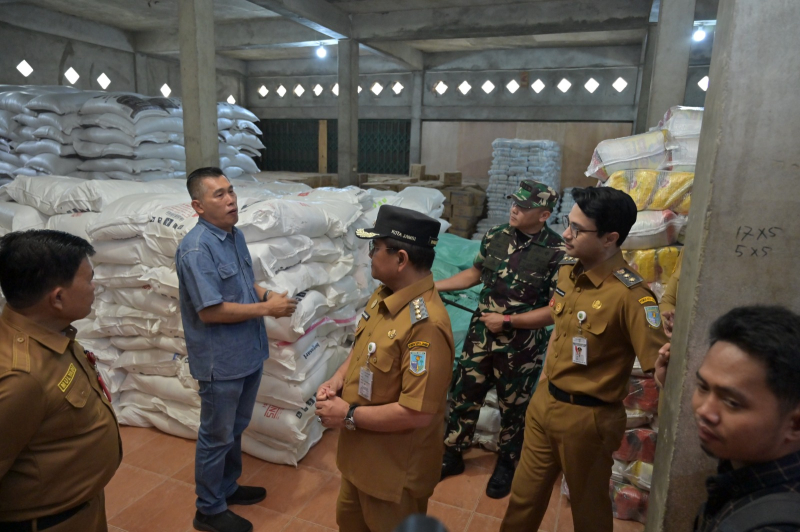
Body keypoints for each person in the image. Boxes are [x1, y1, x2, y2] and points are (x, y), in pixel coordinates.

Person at [501, 187, 668, 532]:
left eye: (577, 229)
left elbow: (659, 368)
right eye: (568, 223)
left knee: (588, 511)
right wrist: (543, 385)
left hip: (588, 420)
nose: (566, 234)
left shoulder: (632, 297)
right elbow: (560, 328)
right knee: (523, 498)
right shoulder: (568, 270)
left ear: (610, 238)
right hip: (545, 404)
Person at [315, 205, 455, 532]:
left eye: (375, 248)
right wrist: (337, 380)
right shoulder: (385, 294)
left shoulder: (426, 325)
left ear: (401, 258)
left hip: (392, 474)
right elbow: (365, 349)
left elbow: (418, 413)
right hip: (359, 457)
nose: (370, 255)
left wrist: (347, 415)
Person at [176, 167, 297, 532]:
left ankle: (227, 488)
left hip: (248, 351)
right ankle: (208, 510)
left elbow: (245, 282)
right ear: (197, 206)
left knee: (236, 428)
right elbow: (211, 311)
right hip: (221, 362)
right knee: (216, 435)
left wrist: (265, 294)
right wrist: (267, 310)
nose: (230, 200)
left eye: (231, 191)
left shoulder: (234, 235)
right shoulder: (196, 249)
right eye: (219, 195)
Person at [436, 180, 565, 498]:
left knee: (514, 407)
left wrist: (508, 320)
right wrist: (436, 287)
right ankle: (453, 453)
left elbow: (555, 311)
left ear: (544, 214)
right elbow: (475, 274)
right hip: (481, 336)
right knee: (465, 395)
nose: (514, 209)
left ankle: (507, 462)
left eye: (523, 206)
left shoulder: (557, 252)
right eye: (514, 203)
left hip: (520, 346)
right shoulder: (495, 236)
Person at [0, 230, 121, 531]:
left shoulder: (50, 332)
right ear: (57, 297)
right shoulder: (21, 378)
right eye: (89, 279)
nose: (96, 288)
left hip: (81, 507)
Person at [692, 306, 800, 531]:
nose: (704, 410)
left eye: (732, 403)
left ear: (795, 425)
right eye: (703, 387)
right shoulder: (741, 468)